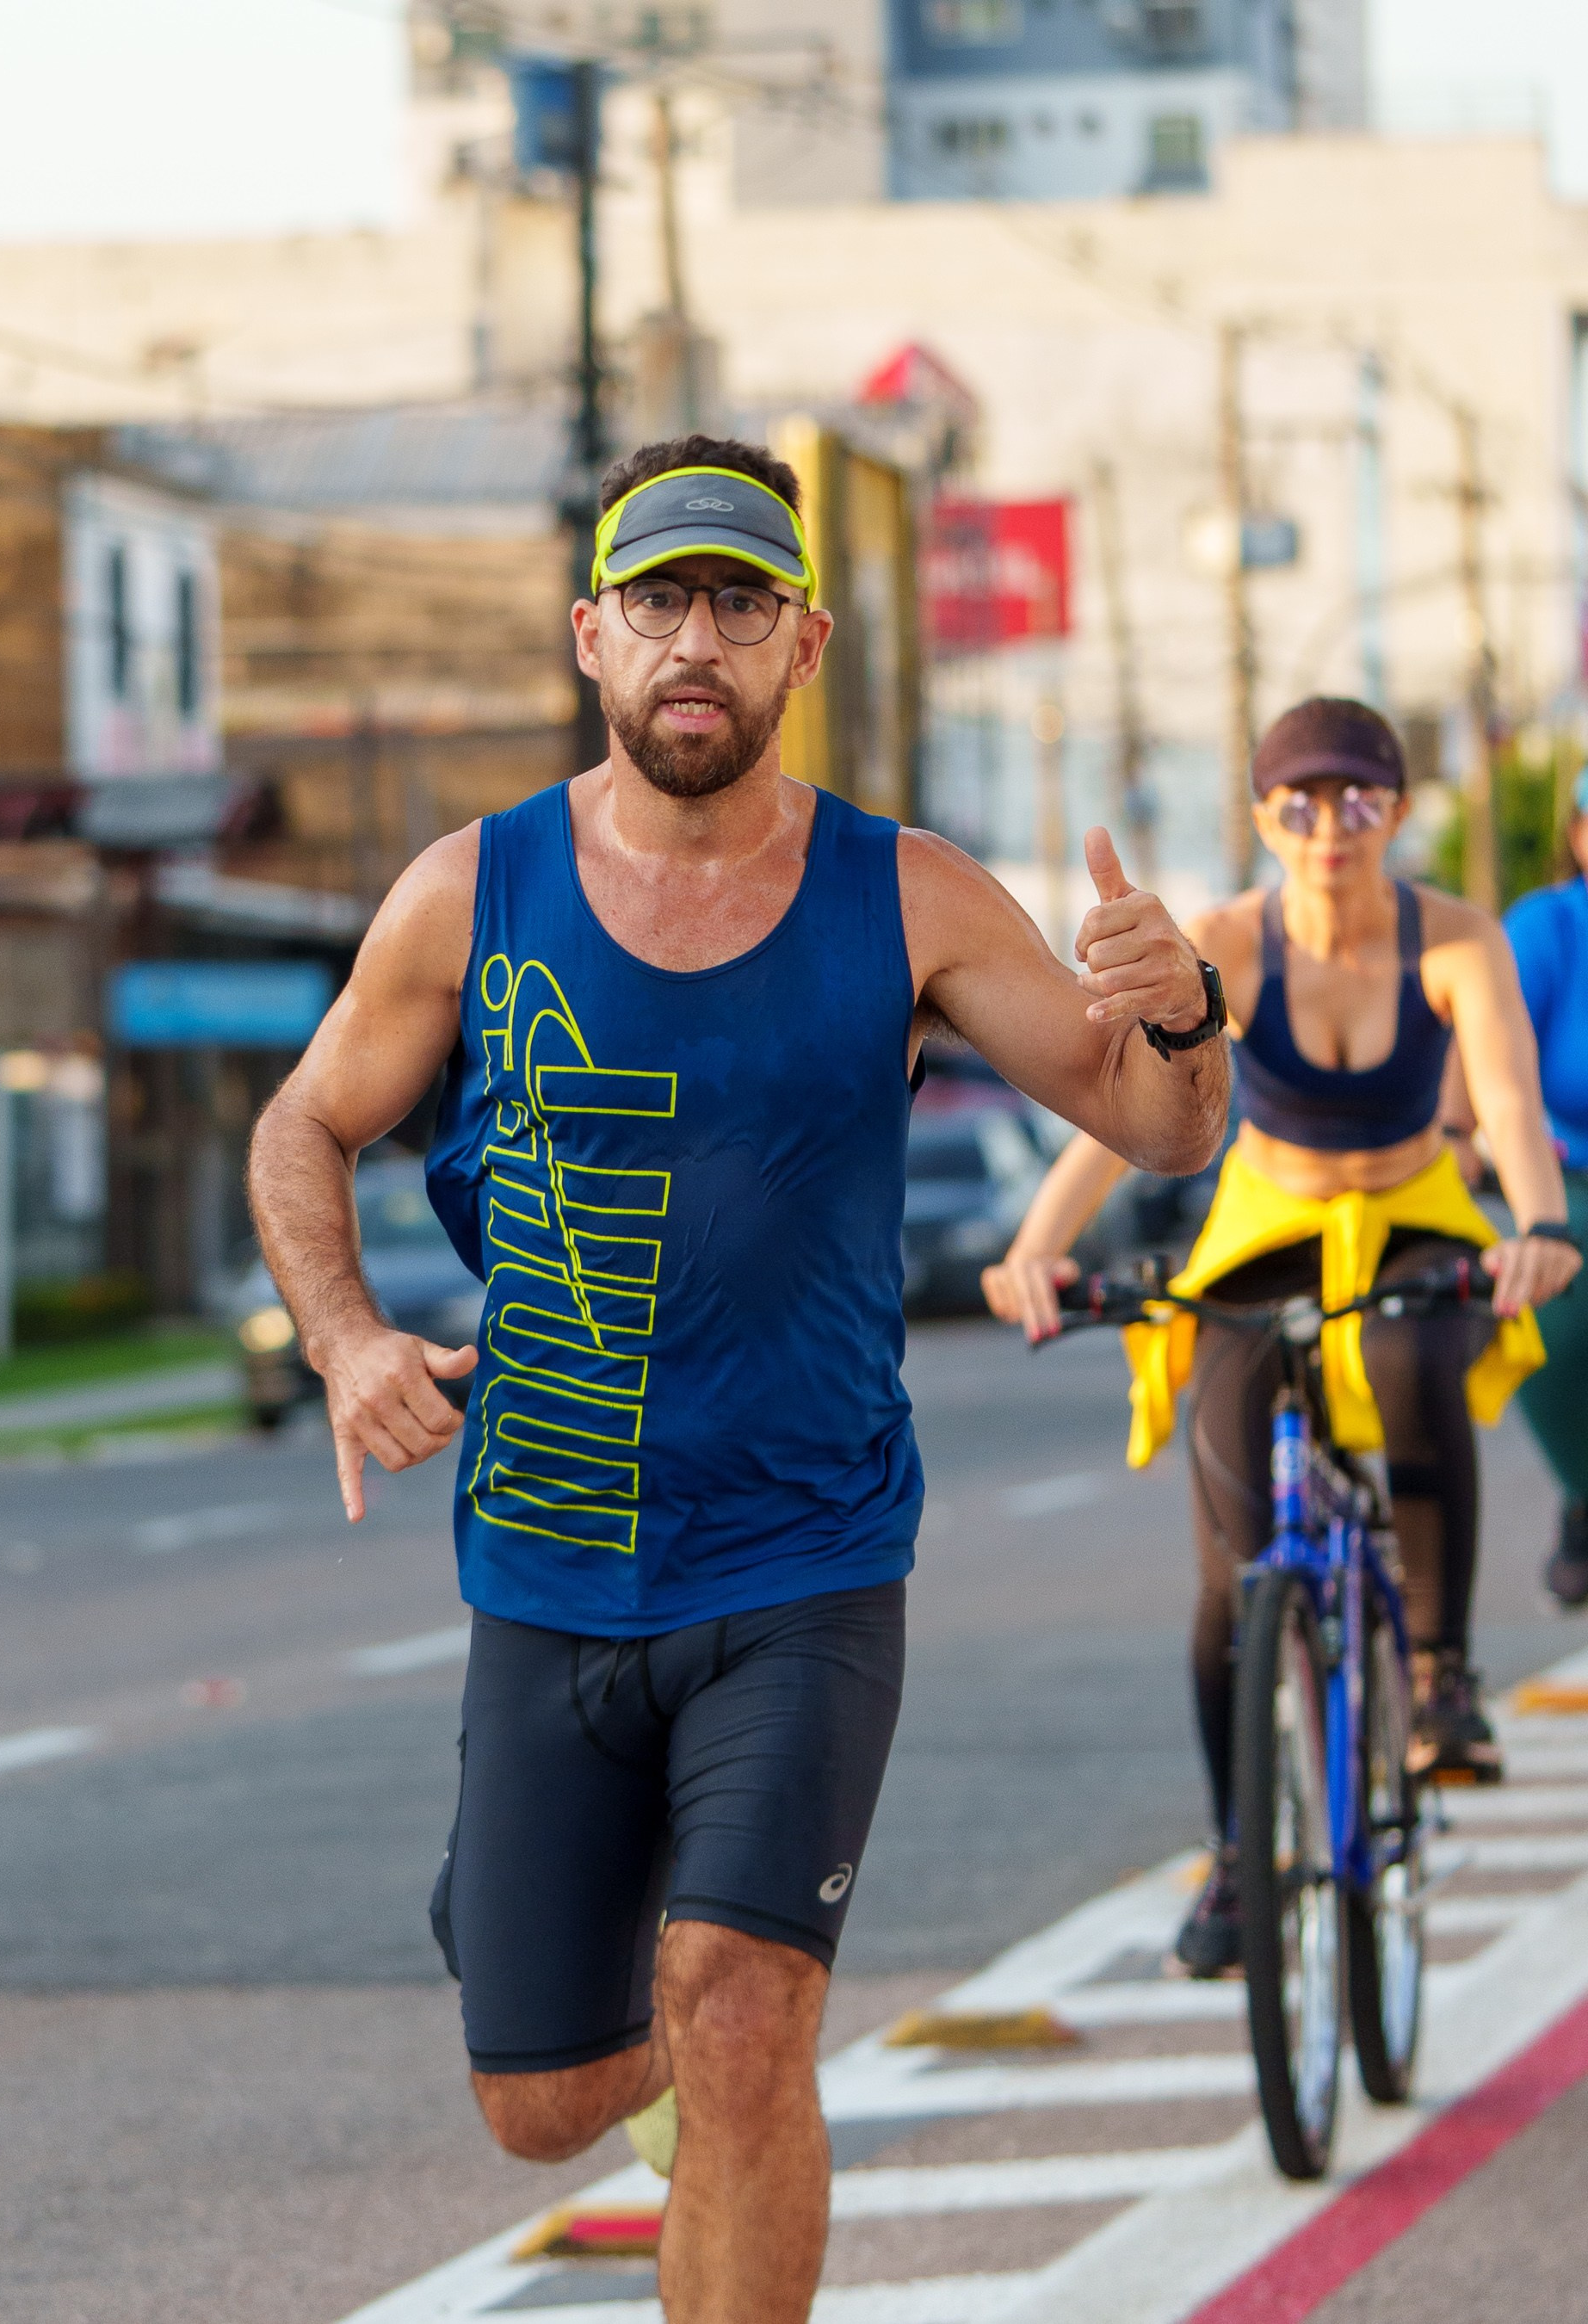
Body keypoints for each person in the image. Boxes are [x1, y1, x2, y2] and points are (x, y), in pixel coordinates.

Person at [247, 434, 1228, 2324]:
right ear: (589, 636)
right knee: (538, 2101)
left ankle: (730, 2087)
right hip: (545, 1561)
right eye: (659, 600)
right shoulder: (473, 893)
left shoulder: (913, 896)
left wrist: (1179, 1004)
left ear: (806, 643)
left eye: (740, 600)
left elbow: (1156, 1126)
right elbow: (304, 1126)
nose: (697, 637)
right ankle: (664, 2065)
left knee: (744, 2008)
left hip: (808, 1561)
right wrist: (347, 1334)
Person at [982, 696, 1580, 1978]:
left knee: (1423, 1357)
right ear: (1262, 817)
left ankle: (1440, 1673)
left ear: (1398, 814)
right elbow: (1124, 1107)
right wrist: (1035, 1250)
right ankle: (1243, 1859)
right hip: (1270, 1224)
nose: (1329, 829)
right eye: (1299, 804)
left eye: (1359, 801)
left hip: (1414, 1210)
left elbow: (1515, 1104)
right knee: (1232, 1567)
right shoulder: (1230, 942)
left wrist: (1537, 1223)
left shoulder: (1457, 940)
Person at [1504, 768, 1588, 1606]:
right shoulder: (1548, 927)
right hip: (1568, 1174)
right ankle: (1584, 1496)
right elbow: (1494, 1060)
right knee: (1551, 1331)